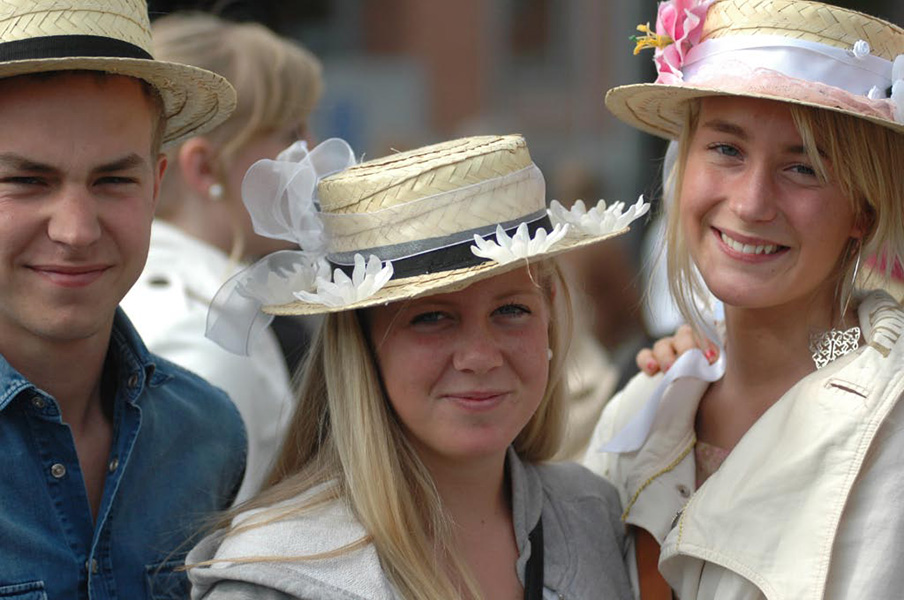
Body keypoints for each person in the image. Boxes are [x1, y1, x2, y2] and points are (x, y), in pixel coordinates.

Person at [185, 134, 648, 599]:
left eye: (510, 310)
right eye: (431, 318)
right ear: (362, 343)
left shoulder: (598, 516)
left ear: (549, 313)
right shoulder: (272, 581)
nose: (480, 356)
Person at [584, 0, 904, 598]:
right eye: (727, 150)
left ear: (863, 209)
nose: (752, 203)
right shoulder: (639, 409)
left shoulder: (894, 430)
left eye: (803, 167)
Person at [0, 0, 248, 597]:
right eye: (26, 181)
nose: (76, 230)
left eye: (113, 180)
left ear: (156, 187)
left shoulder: (207, 437)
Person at [121, 13, 322, 502]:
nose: (312, 155)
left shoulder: (206, 305)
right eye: (290, 135)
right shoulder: (202, 339)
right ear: (206, 167)